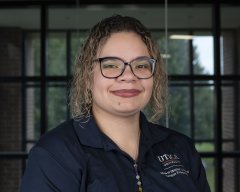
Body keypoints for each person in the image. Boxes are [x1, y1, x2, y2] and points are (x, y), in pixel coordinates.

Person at [20, 14, 211, 192]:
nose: (128, 76)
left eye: (141, 65)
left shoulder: (180, 147)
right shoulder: (55, 154)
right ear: (87, 77)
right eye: (111, 65)